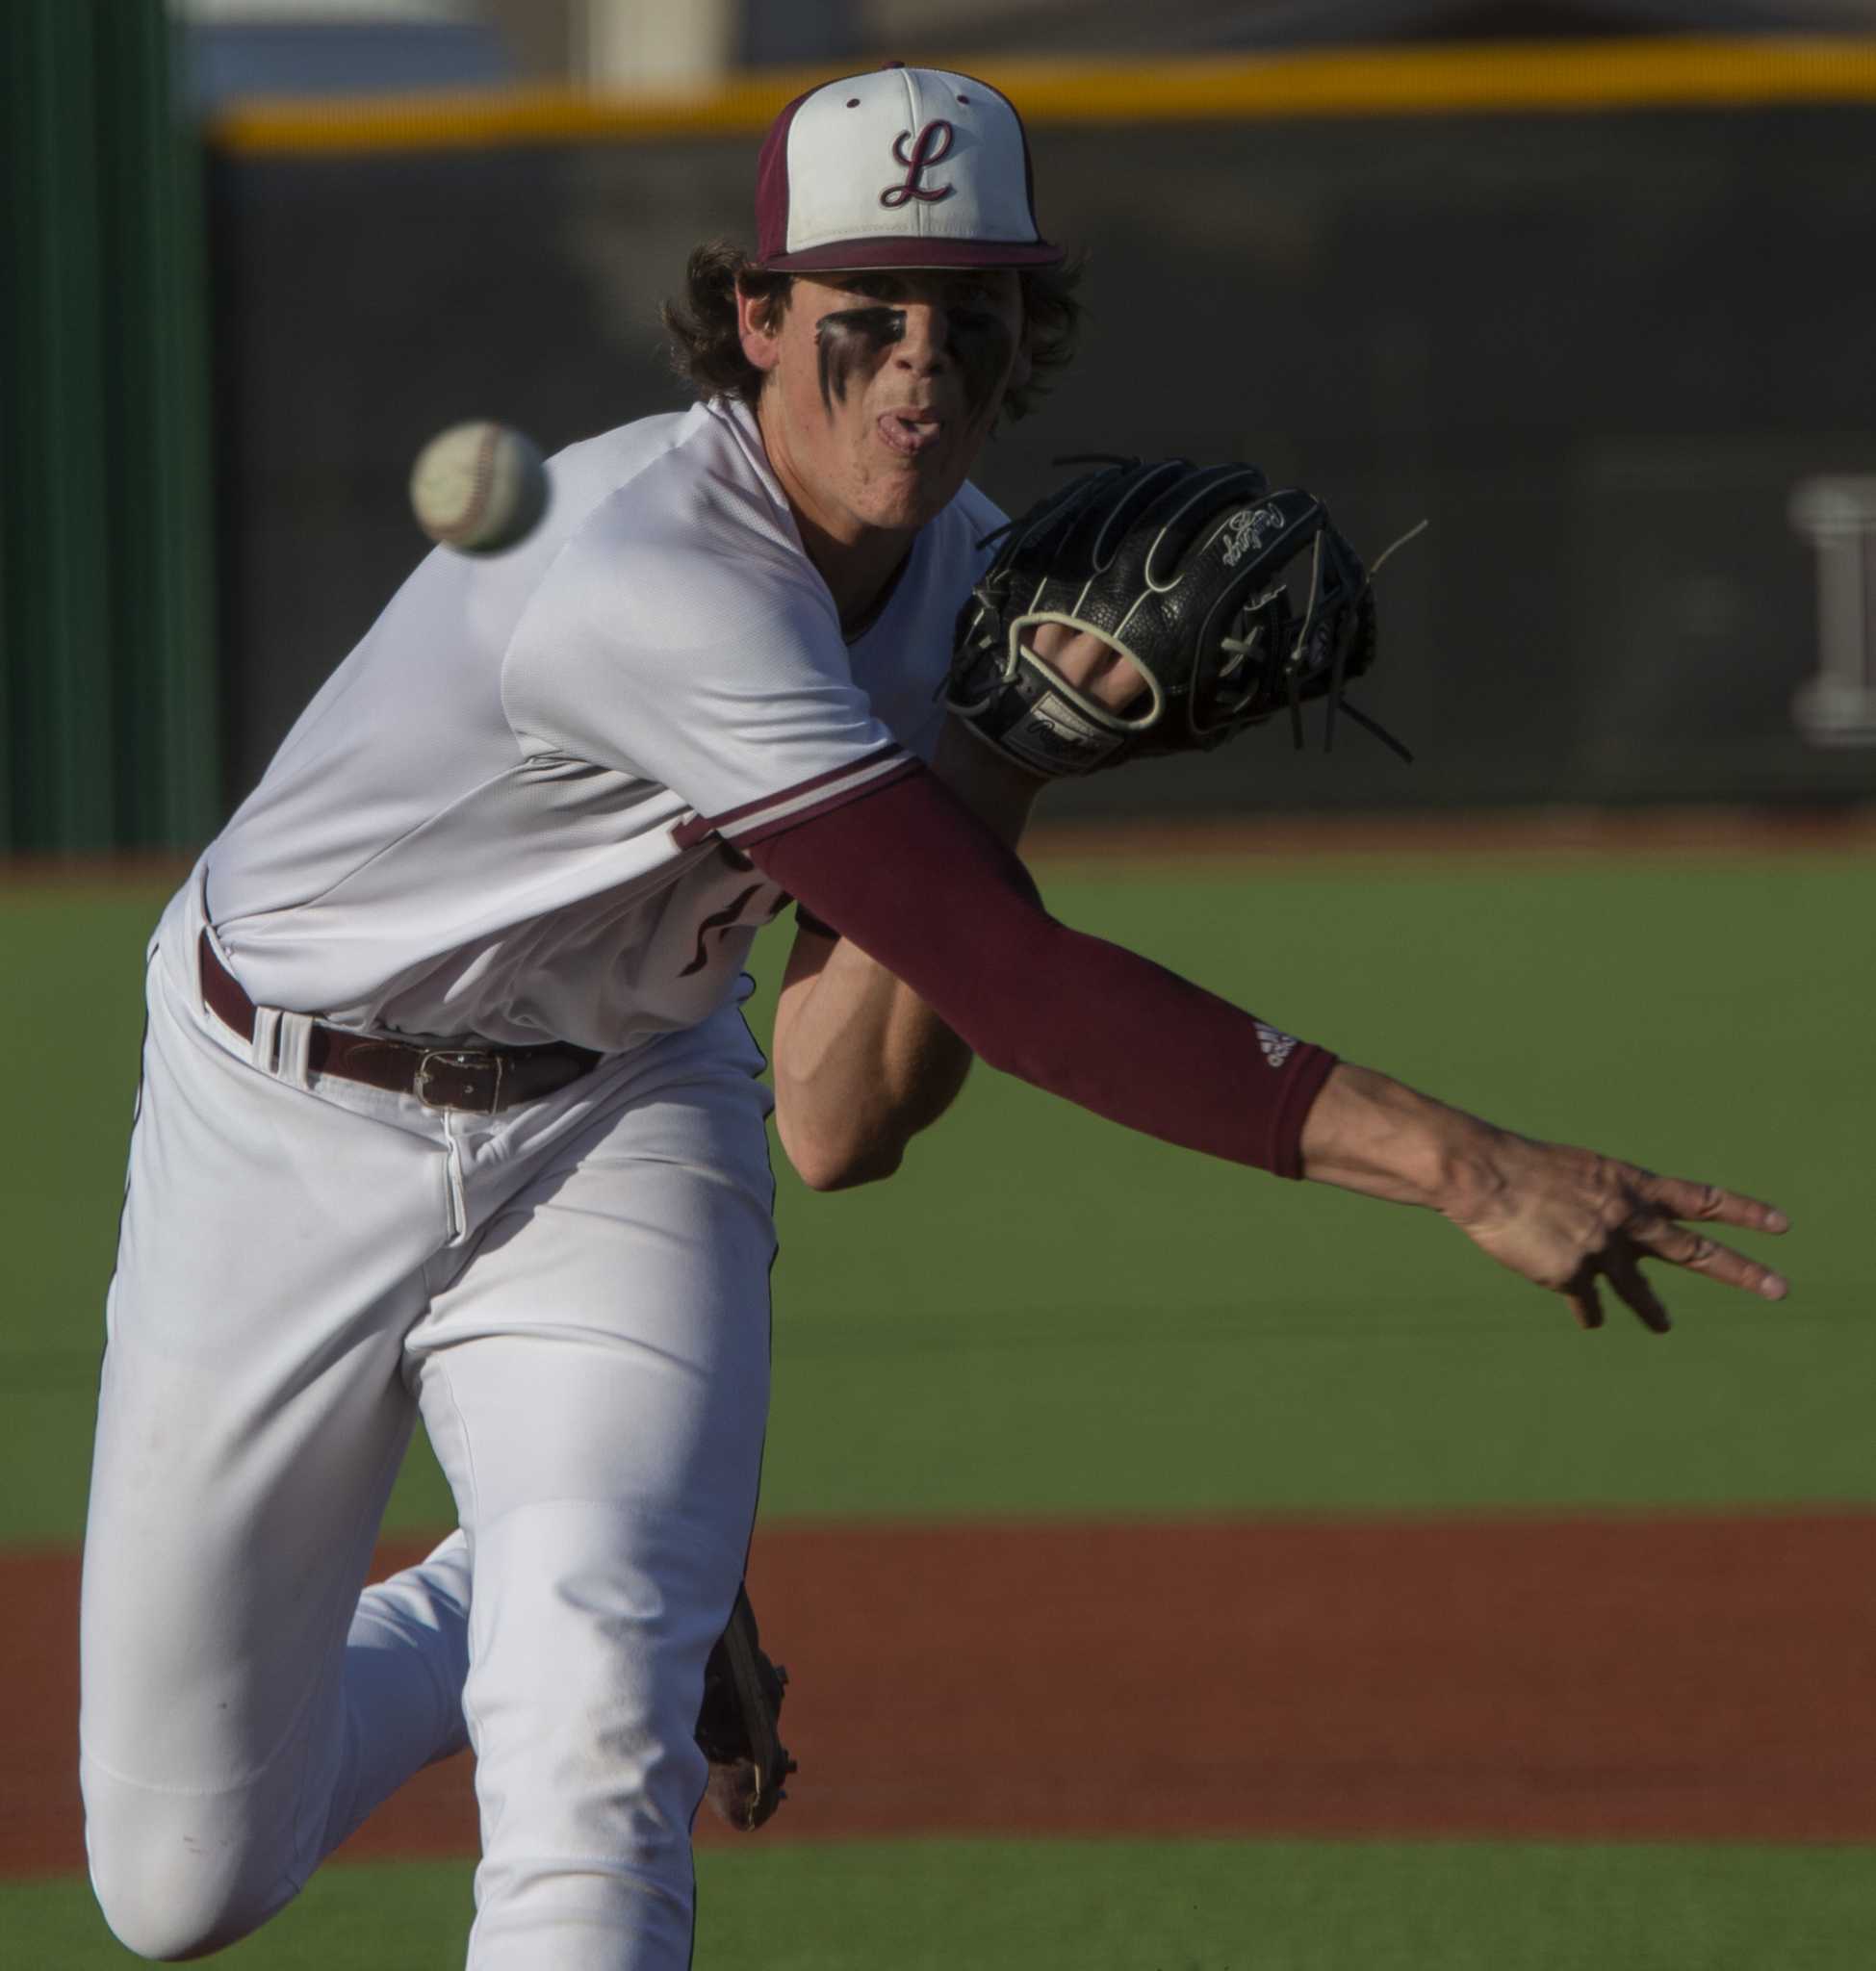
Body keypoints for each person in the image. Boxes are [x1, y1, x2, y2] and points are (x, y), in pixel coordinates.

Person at [79, 62, 1787, 1971]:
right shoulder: (653, 580)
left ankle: (612, 1571)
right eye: (860, 319)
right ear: (756, 321)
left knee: (588, 1774)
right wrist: (1465, 1164)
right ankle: (572, 1569)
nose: (914, 372)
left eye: (967, 324)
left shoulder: (968, 582)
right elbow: (1017, 980)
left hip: (622, 1116)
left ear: (1022, 339)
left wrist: (998, 751)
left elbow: (833, 1116)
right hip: (284, 1108)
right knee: (183, 1889)